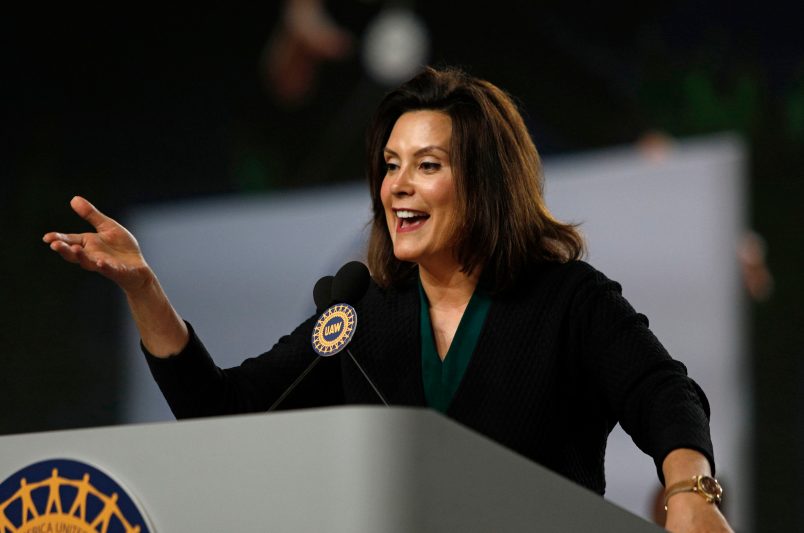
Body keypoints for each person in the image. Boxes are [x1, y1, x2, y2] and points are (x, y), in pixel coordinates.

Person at [44, 66, 733, 532]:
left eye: (427, 166)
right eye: (391, 166)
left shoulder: (567, 299)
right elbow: (224, 410)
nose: (397, 185)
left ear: (486, 182)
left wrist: (689, 492)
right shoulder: (363, 312)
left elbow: (663, 392)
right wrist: (144, 289)